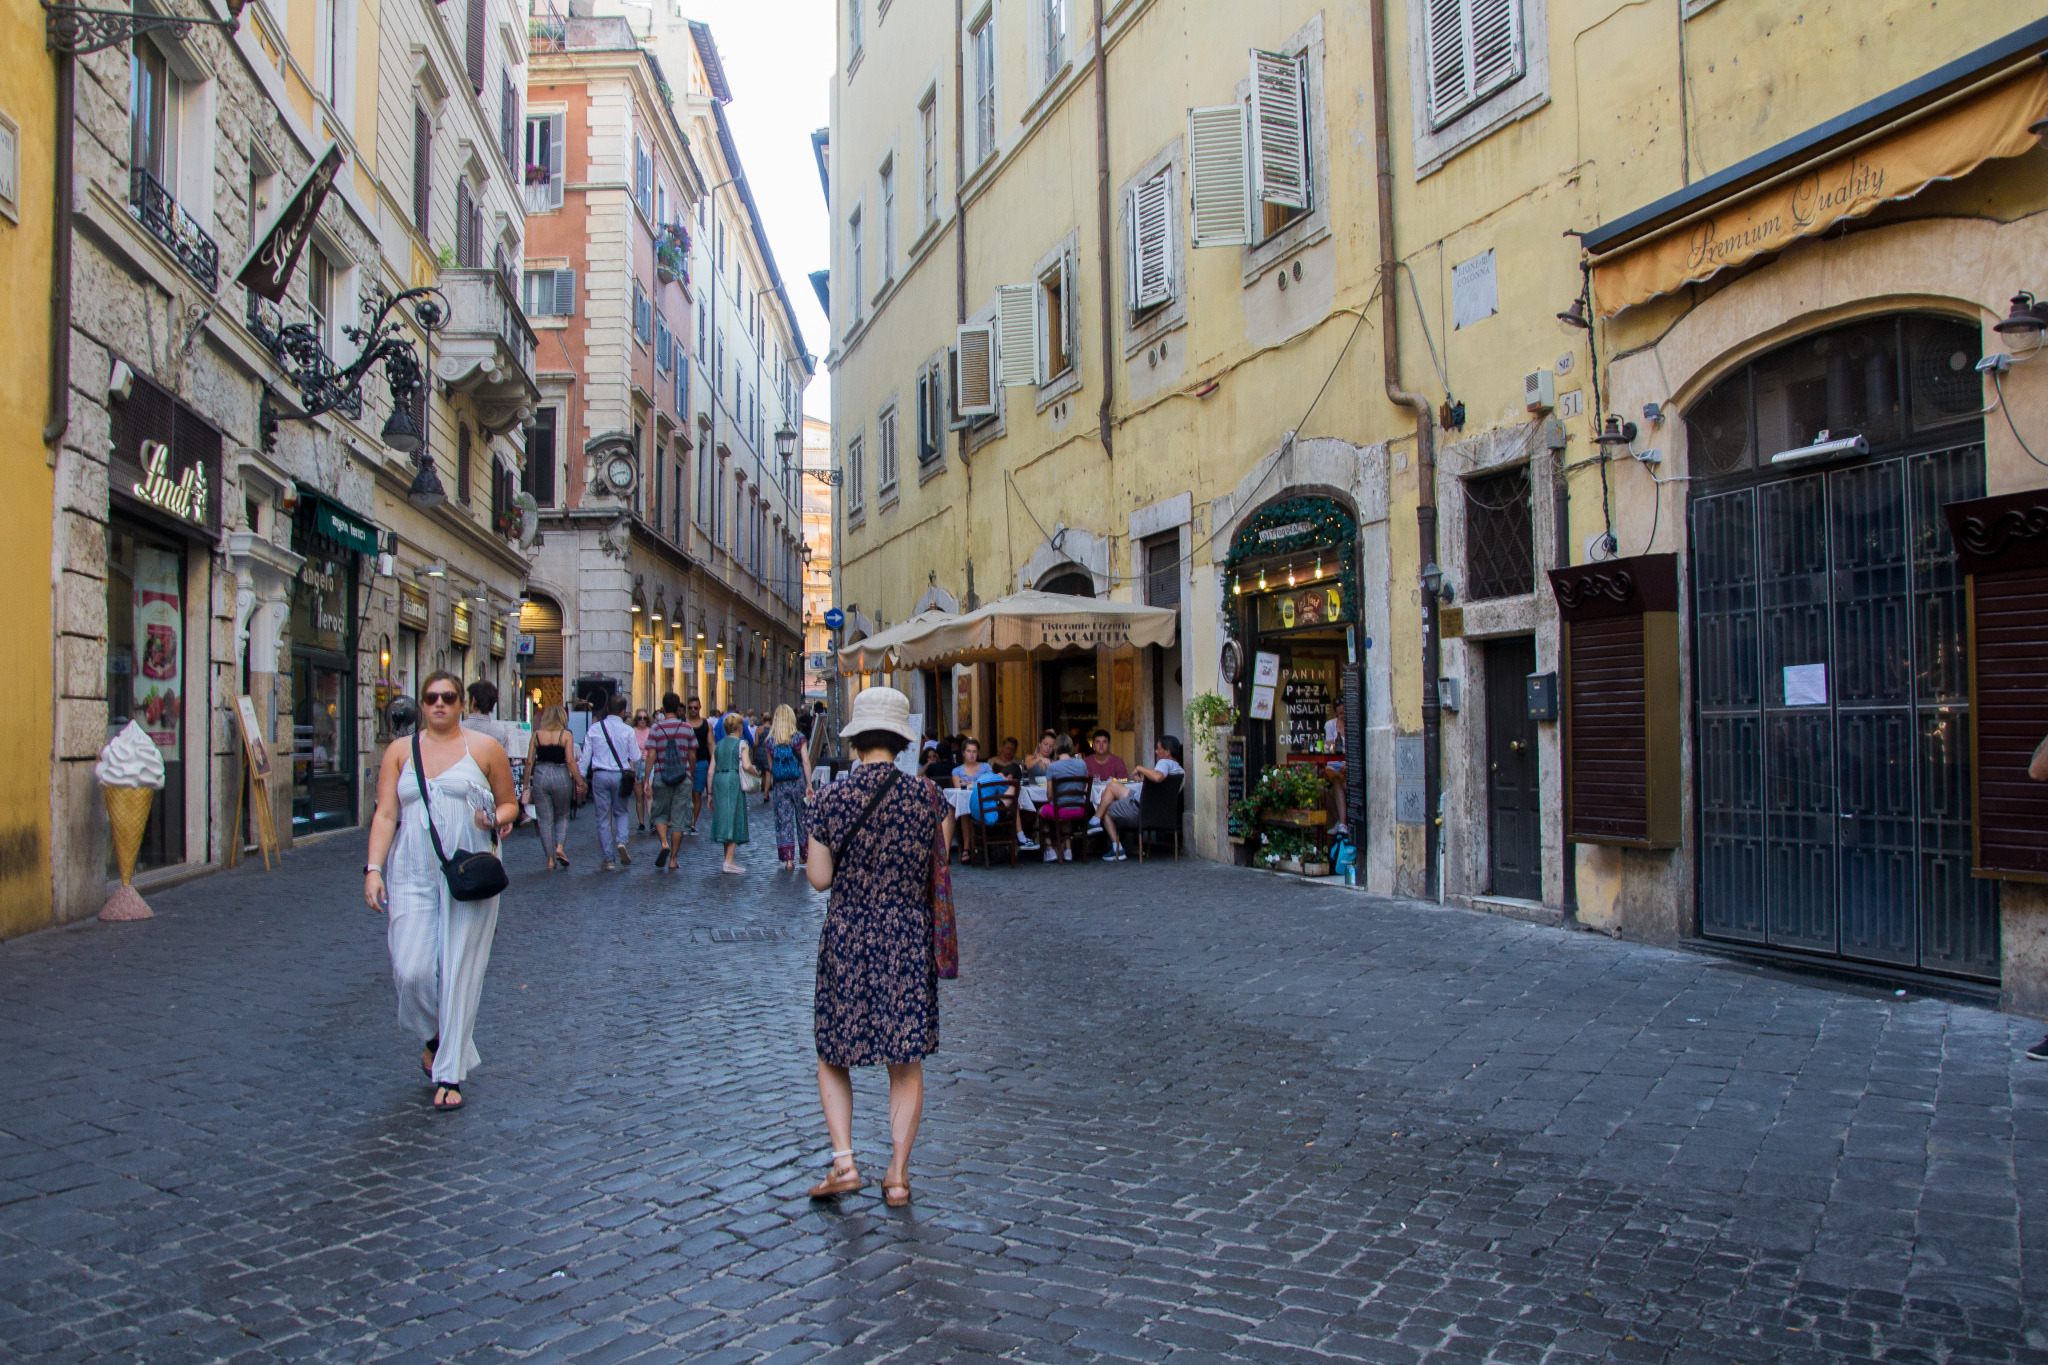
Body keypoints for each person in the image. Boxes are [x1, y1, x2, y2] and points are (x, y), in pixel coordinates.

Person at [804, 686, 953, 1209]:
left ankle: (844, 1163)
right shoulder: (929, 798)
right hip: (907, 935)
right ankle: (898, 1175)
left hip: (848, 933)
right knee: (905, 1057)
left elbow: (818, 879)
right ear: (902, 740)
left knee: (833, 1050)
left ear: (855, 741)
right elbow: (940, 864)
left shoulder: (831, 798)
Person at [363, 672, 519, 1112]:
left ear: (460, 702)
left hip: (469, 871)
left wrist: (495, 818)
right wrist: (373, 869)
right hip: (410, 871)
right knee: (410, 970)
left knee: (459, 970)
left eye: (448, 697)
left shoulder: (484, 749)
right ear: (421, 703)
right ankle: (436, 1038)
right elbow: (385, 814)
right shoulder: (400, 751)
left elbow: (510, 803)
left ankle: (449, 1074)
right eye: (431, 697)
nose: (439, 704)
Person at [1096, 735, 1187, 861]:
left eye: (1158, 748)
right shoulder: (1181, 772)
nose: (1156, 751)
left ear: (1167, 752)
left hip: (1140, 811)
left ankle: (1117, 848)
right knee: (1113, 788)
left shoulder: (1164, 762)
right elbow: (1161, 789)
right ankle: (1096, 823)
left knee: (1103, 807)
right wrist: (1145, 780)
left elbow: (1158, 777)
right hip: (1160, 815)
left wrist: (1140, 768)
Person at [579, 695, 640, 870]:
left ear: (607, 709)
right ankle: (621, 841)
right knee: (621, 812)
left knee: (603, 817)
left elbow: (585, 757)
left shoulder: (595, 729)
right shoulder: (628, 730)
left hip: (600, 775)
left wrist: (581, 779)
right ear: (623, 711)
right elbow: (636, 756)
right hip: (620, 775)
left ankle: (608, 858)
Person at [522, 703, 583, 869]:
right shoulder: (566, 735)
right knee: (562, 815)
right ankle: (559, 847)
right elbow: (570, 761)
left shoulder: (536, 735)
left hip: (541, 775)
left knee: (544, 819)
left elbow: (529, 762)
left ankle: (550, 859)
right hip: (561, 774)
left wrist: (526, 784)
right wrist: (580, 781)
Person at [645, 693, 696, 870]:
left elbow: (651, 755)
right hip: (682, 777)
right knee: (679, 818)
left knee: (659, 812)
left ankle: (664, 843)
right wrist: (691, 773)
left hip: (661, 776)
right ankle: (673, 859)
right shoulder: (687, 728)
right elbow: (692, 754)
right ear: (678, 707)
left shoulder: (656, 729)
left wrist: (646, 778)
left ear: (663, 707)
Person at [765, 703, 814, 870]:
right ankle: (804, 854)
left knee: (783, 820)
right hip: (798, 781)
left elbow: (770, 767)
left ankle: (788, 860)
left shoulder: (770, 741)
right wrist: (809, 784)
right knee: (802, 818)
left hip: (780, 784)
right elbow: (805, 761)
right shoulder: (798, 738)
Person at [709, 711, 758, 873]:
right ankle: (729, 861)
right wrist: (756, 773)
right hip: (733, 780)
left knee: (724, 816)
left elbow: (711, 770)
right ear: (739, 728)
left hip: (719, 780)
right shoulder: (742, 743)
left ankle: (727, 858)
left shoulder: (719, 745)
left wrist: (709, 794)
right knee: (734, 816)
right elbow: (746, 765)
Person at [1040, 734, 1091, 863]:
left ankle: (1049, 849)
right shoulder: (1082, 763)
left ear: (1056, 748)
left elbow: (1049, 795)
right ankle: (1068, 850)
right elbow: (1083, 787)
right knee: (1066, 817)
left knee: (1041, 812)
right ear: (1071, 748)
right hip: (1080, 809)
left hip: (1061, 810)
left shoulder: (1053, 767)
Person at [688, 697, 712, 832]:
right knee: (686, 794)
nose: (693, 710)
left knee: (697, 793)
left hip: (701, 762)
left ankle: (693, 822)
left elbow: (711, 744)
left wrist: (714, 761)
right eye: (690, 707)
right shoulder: (683, 724)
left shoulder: (706, 725)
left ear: (700, 708)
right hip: (685, 763)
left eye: (695, 707)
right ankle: (686, 819)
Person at [631, 709, 655, 831]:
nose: (642, 720)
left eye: (644, 718)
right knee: (639, 795)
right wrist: (631, 768)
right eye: (639, 718)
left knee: (648, 793)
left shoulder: (651, 731)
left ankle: (652, 822)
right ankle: (641, 823)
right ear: (636, 719)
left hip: (648, 763)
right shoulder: (632, 731)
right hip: (636, 763)